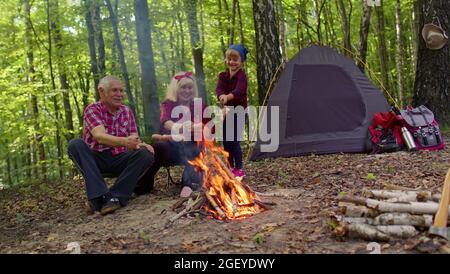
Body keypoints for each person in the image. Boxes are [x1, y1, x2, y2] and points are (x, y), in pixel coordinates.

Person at [68, 76, 155, 215]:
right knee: (75, 144)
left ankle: (115, 197)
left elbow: (134, 139)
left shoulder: (126, 111)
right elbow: (99, 137)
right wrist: (125, 141)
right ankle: (98, 196)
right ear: (102, 92)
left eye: (121, 91)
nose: (119, 94)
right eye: (115, 90)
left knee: (145, 154)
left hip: (119, 158)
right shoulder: (92, 109)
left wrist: (142, 145)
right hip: (96, 160)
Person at [134, 72, 210, 198]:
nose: (187, 91)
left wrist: (197, 128)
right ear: (176, 89)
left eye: (190, 87)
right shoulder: (168, 104)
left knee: (197, 147)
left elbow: (207, 127)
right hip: (171, 146)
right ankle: (143, 185)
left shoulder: (199, 105)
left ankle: (188, 184)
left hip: (191, 146)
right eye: (183, 87)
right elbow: (165, 122)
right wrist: (180, 128)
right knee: (159, 147)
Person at [216, 44, 248, 178]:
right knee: (226, 141)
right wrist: (221, 96)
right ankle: (229, 168)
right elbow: (219, 89)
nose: (232, 62)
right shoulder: (223, 76)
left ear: (241, 61)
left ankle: (239, 168)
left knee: (234, 140)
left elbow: (239, 91)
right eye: (229, 59)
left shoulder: (242, 76)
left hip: (239, 112)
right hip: (227, 112)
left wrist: (227, 97)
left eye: (235, 59)